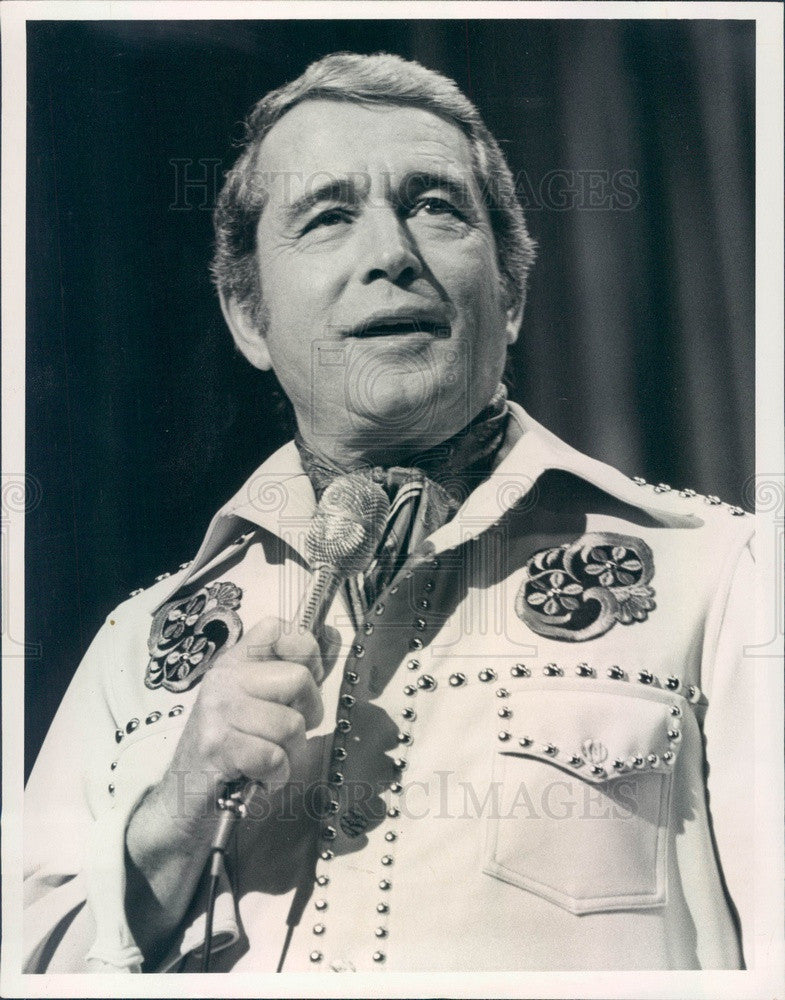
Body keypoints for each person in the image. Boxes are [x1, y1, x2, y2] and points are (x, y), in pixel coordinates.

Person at [24, 51, 756, 974]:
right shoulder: (137, 647)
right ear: (248, 318)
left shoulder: (723, 578)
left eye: (435, 207)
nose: (390, 255)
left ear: (513, 290)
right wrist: (177, 807)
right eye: (328, 218)